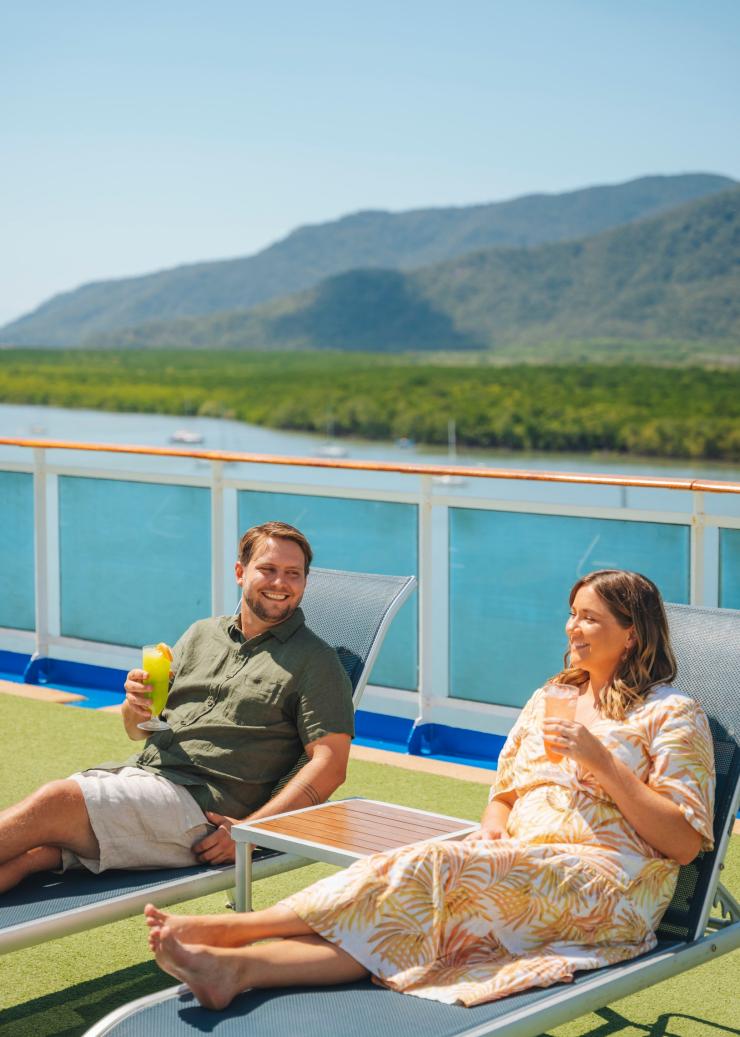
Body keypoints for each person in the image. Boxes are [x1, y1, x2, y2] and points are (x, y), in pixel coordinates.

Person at [145, 569, 715, 1011]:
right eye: (572, 615)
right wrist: (492, 833)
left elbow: (684, 844)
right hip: (518, 862)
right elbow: (506, 792)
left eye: (590, 619)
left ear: (632, 631)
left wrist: (604, 764)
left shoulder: (671, 714)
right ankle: (239, 971)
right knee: (414, 898)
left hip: (606, 883)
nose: (572, 628)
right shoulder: (552, 697)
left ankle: (232, 929)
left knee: (431, 867)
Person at [0, 521, 354, 893]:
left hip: (199, 810)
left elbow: (330, 765)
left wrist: (250, 833)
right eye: (268, 569)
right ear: (240, 572)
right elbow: (139, 731)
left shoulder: (316, 662)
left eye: (293, 574)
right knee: (34, 853)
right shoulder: (203, 634)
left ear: (304, 582)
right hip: (143, 780)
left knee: (56, 801)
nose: (280, 583)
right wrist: (135, 706)